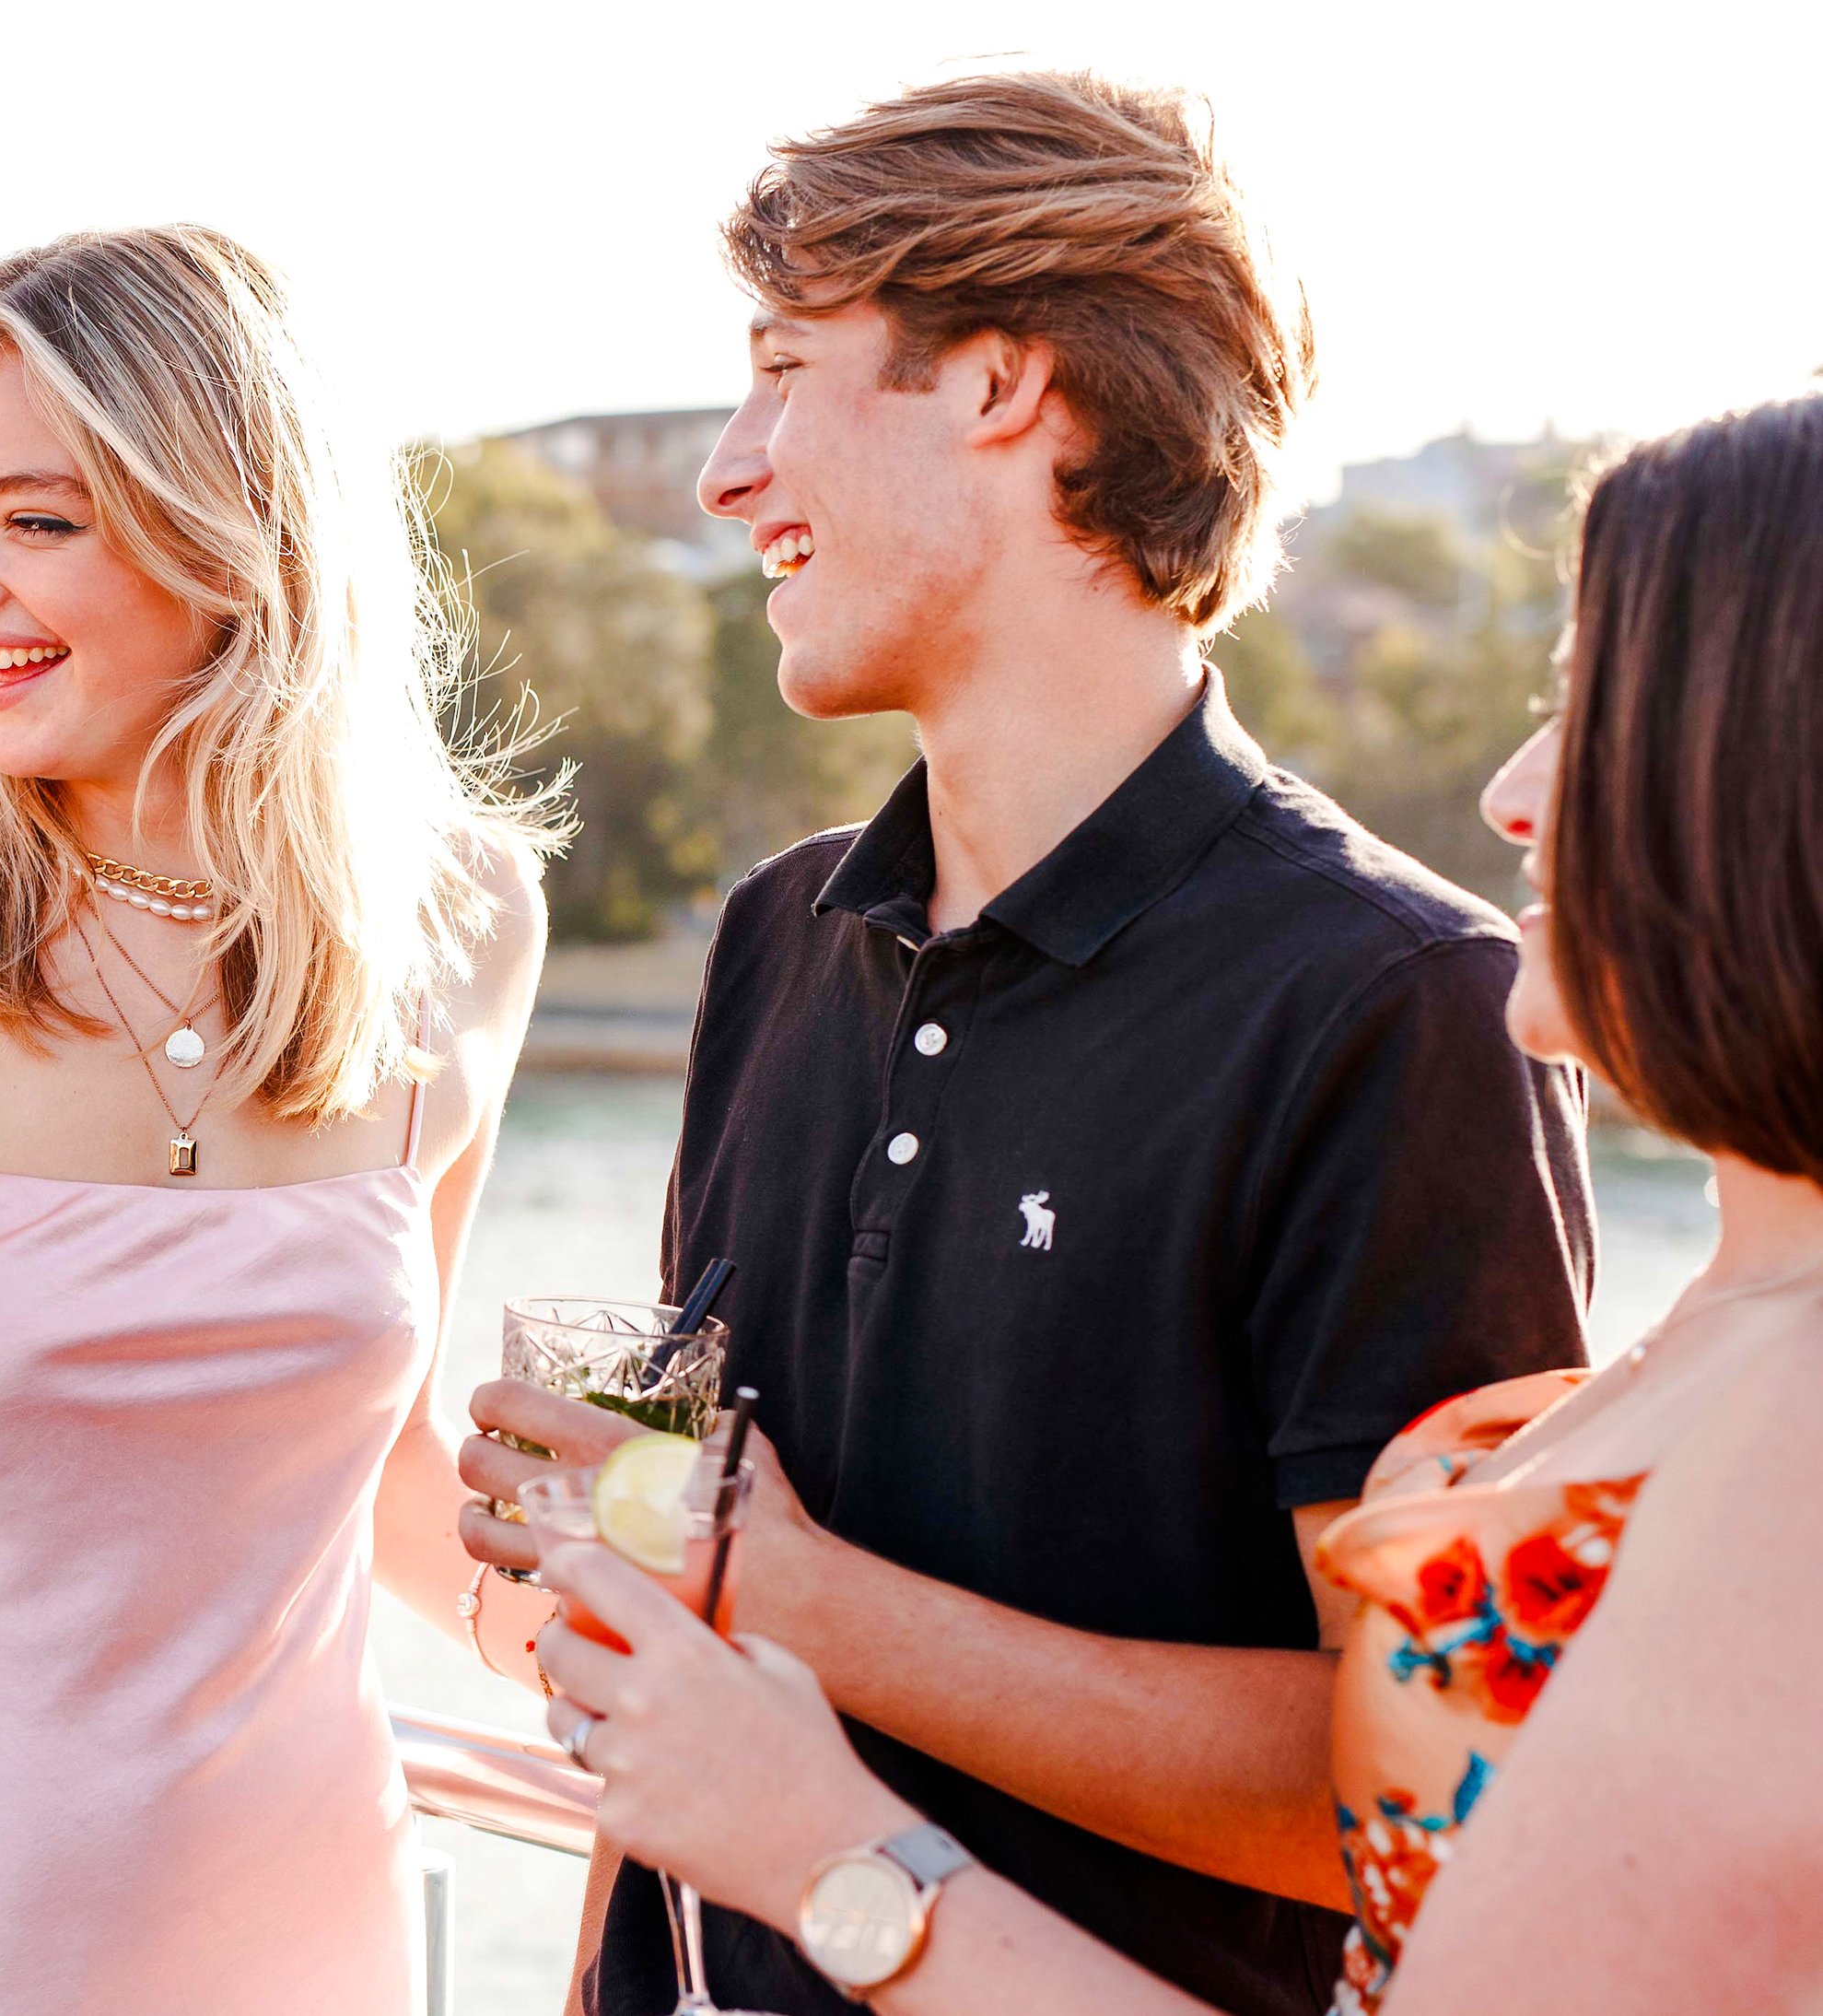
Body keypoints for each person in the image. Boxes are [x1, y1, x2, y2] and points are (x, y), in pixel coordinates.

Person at [455, 74, 1593, 2016]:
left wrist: (797, 1597)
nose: (730, 472)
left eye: (785, 370)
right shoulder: (775, 933)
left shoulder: (1393, 998)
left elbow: (1441, 1796)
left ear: (1000, 387)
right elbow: (694, 1671)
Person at [532, 390, 1823, 2014]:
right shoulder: (1726, 1338)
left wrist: (824, 1848)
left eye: (1602, 696)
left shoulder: (1398, 1006)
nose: (1511, 785)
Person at [0, 225, 559, 2011]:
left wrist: (666, 1651)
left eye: (33, 519)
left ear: (239, 536)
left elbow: (381, 1474)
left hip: (297, 1925)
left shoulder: (466, 922)